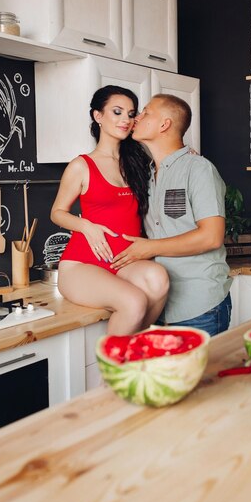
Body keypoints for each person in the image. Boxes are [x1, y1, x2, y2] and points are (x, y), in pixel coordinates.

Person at [50, 85, 169, 336]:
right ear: (98, 116)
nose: (125, 119)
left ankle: (131, 357)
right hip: (83, 264)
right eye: (117, 112)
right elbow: (57, 212)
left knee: (159, 278)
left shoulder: (137, 163)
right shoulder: (81, 165)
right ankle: (111, 375)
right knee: (133, 301)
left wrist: (185, 155)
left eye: (130, 113)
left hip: (124, 260)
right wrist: (86, 226)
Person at [111, 93, 232, 336]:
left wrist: (150, 248)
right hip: (159, 305)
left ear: (165, 124)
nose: (137, 117)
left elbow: (211, 237)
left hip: (199, 308)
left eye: (146, 112)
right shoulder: (146, 174)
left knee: (197, 376)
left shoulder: (198, 169)